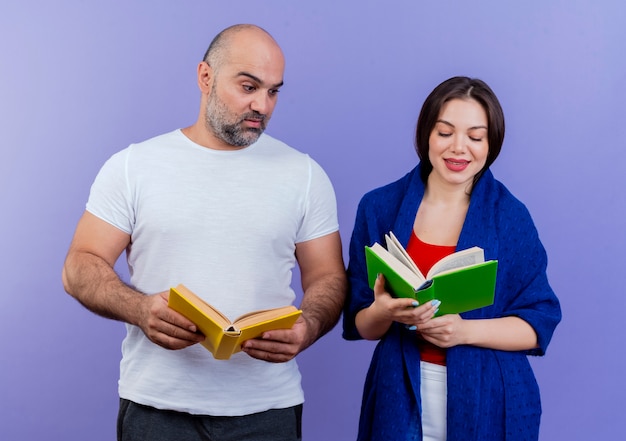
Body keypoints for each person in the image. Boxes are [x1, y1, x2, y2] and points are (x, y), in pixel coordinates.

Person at [62, 24, 347, 441]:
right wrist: (139, 309)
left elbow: (328, 277)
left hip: (267, 410)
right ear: (205, 77)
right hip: (156, 408)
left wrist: (308, 326)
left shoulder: (305, 175)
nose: (262, 105)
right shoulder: (134, 166)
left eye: (273, 92)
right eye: (249, 86)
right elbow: (79, 266)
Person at [343, 76, 561, 441]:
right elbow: (361, 323)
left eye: (475, 137)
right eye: (445, 133)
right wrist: (384, 310)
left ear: (491, 144)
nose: (459, 148)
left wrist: (463, 331)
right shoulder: (378, 207)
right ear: (426, 133)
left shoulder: (510, 216)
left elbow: (539, 322)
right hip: (399, 394)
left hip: (489, 396)